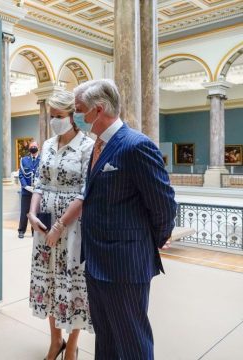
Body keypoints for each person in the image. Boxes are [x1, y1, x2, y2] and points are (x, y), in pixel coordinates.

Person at [74, 79, 177, 360]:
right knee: (105, 337)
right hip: (96, 262)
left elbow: (164, 204)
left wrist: (149, 242)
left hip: (125, 264)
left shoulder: (135, 146)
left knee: (131, 339)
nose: (77, 117)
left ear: (98, 110)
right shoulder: (98, 146)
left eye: (79, 110)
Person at [27, 90, 94, 360]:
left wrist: (60, 226)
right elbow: (39, 183)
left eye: (58, 116)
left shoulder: (87, 146)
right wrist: (32, 215)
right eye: (51, 116)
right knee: (49, 282)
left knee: (72, 284)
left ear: (72, 117)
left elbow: (84, 192)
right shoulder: (47, 145)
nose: (54, 120)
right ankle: (56, 342)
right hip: (44, 225)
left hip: (72, 228)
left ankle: (73, 345)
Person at [17, 141, 40, 238]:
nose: (33, 148)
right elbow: (21, 175)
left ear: (38, 147)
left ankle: (35, 231)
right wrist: (25, 186)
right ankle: (21, 230)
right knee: (24, 211)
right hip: (26, 191)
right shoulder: (24, 160)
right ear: (29, 148)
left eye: (35, 146)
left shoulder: (42, 159)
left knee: (36, 212)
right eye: (31, 146)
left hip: (38, 191)